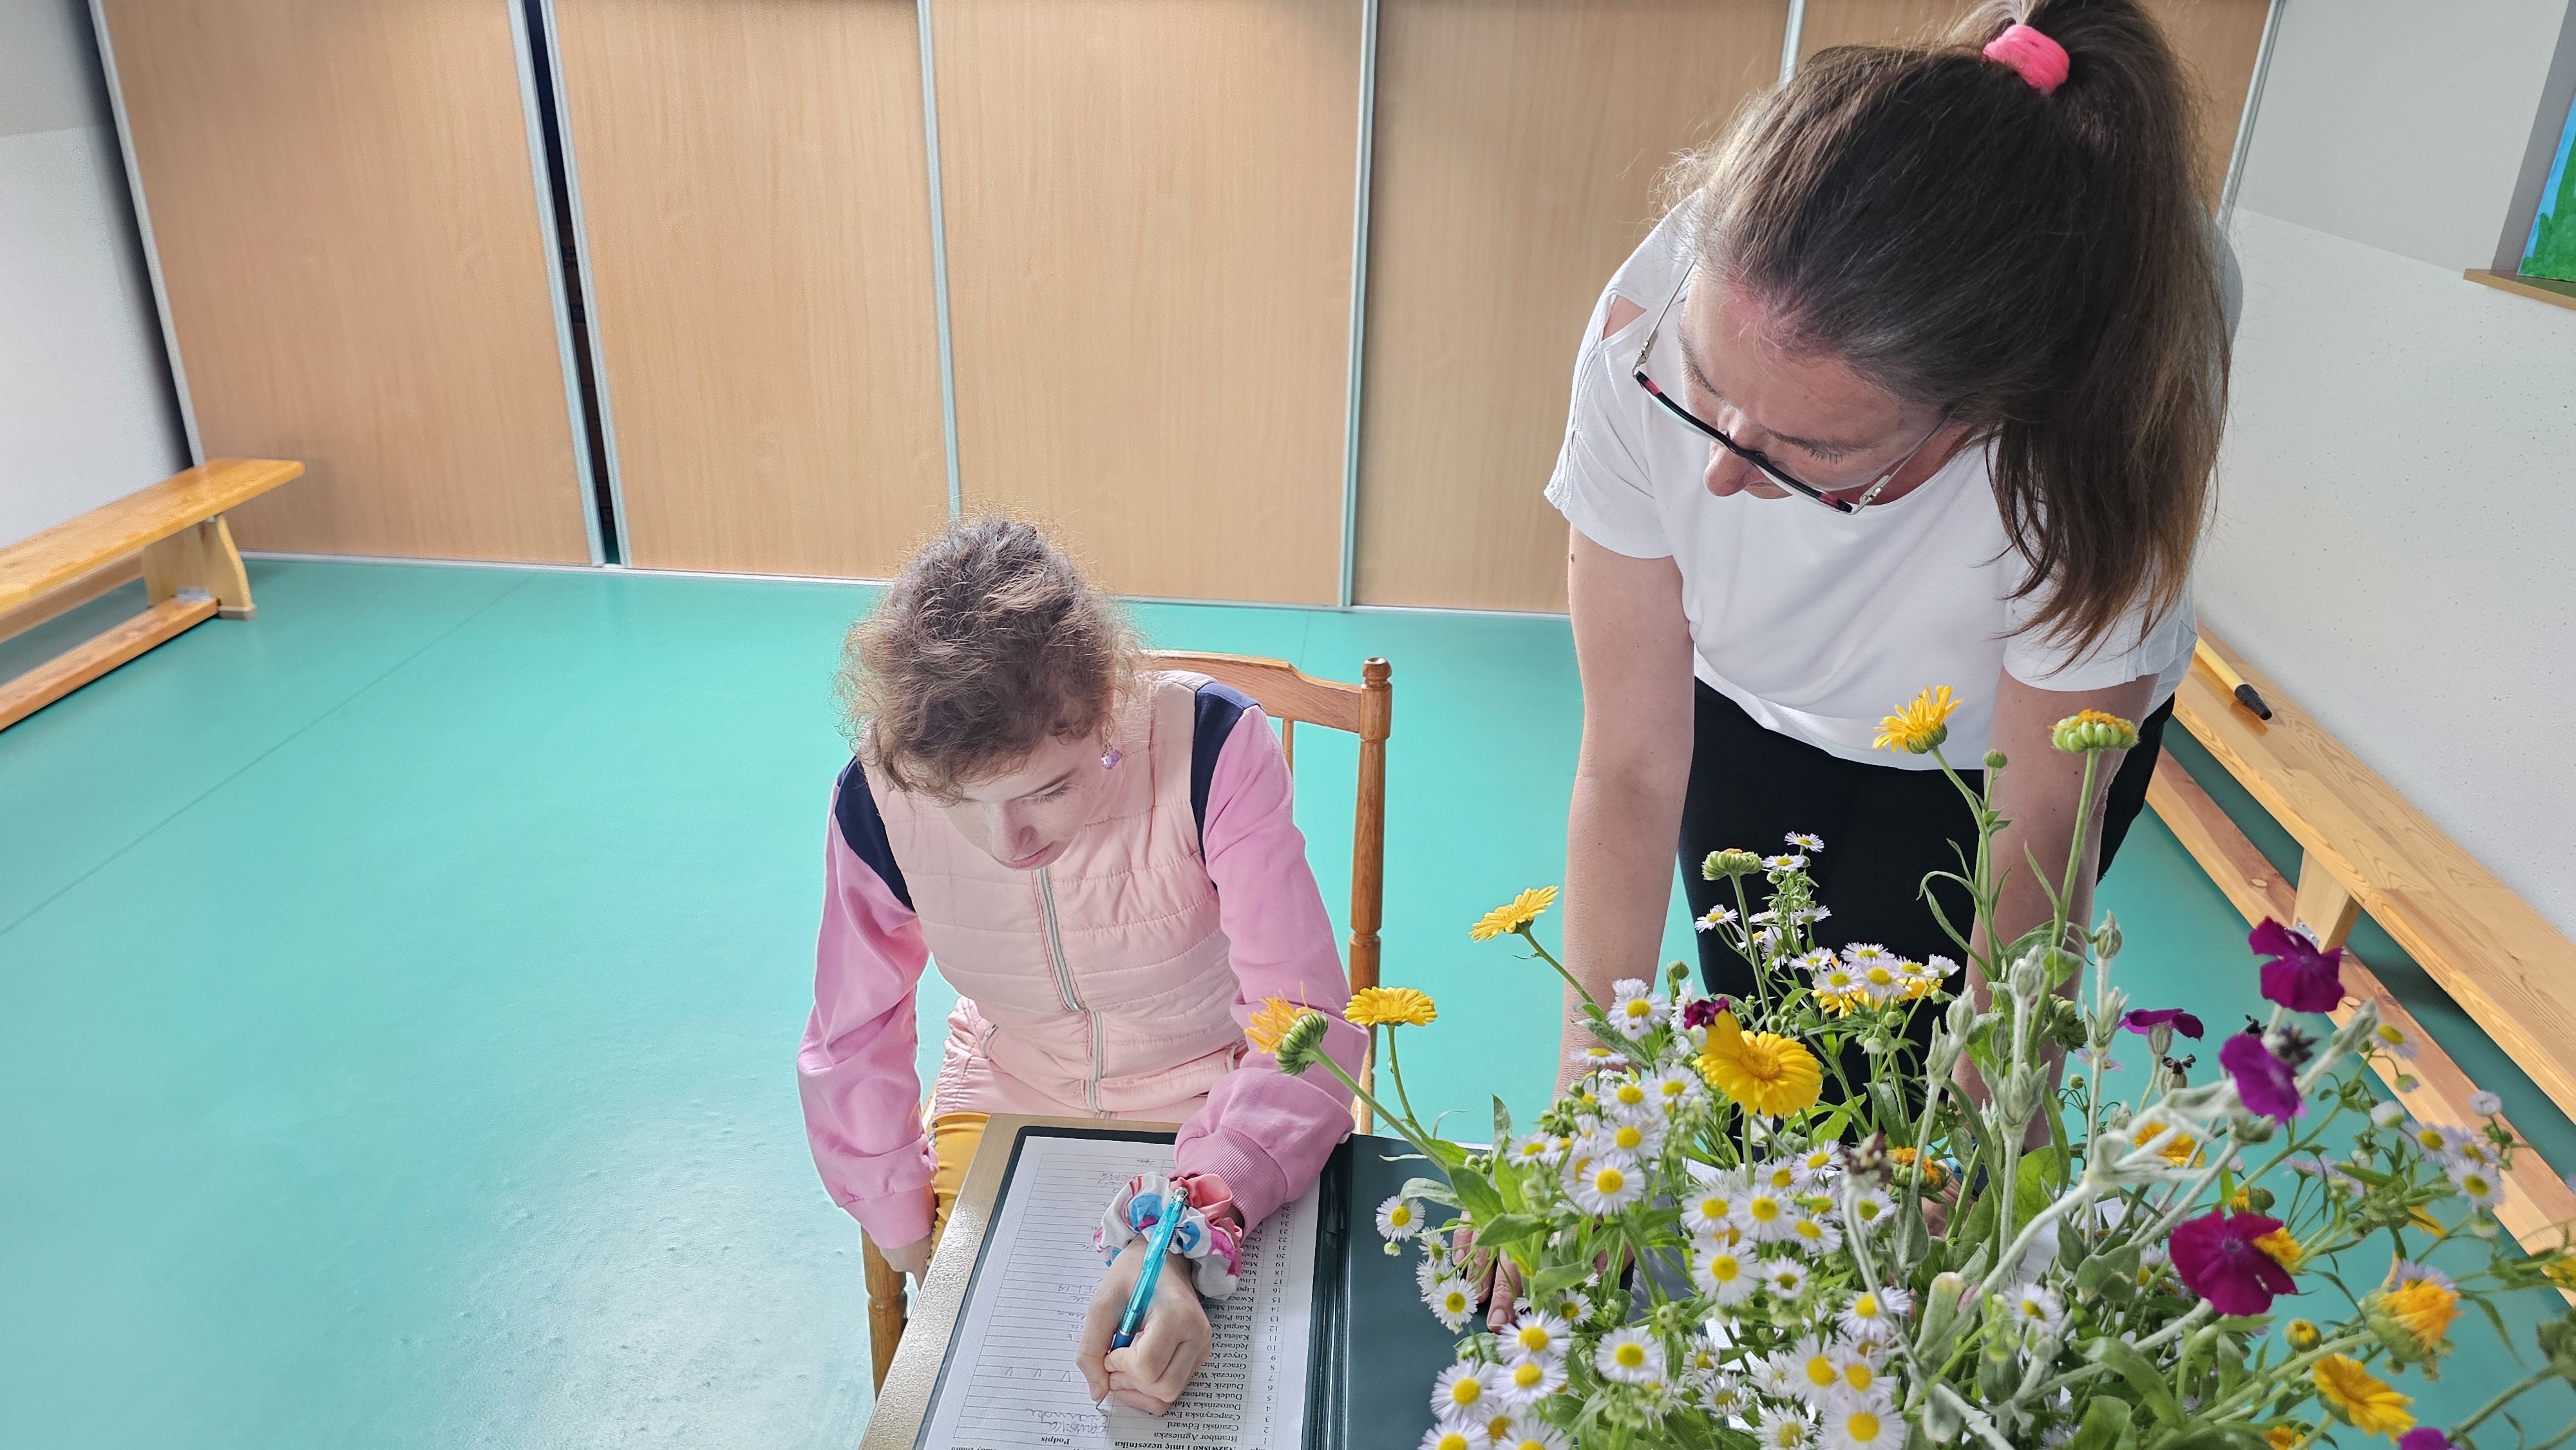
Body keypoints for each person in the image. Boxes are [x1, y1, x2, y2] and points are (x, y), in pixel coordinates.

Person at [1547, 0, 2239, 1080]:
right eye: (1706, 392)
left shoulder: (2099, 437)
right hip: (1749, 706)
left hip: (1981, 765)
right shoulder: (1649, 327)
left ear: (1975, 422)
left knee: (1903, 1083)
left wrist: (1992, 1128)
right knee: (1763, 1050)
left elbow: (2036, 841)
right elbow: (1629, 767)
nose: (1723, 473)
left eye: (1810, 450)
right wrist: (1589, 1102)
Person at [795, 518, 1361, 1414]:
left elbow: (1307, 1029)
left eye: (1049, 788)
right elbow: (850, 1032)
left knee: (1227, 1384)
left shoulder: (1213, 747)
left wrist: (1186, 1224)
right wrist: (897, 1210)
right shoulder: (879, 794)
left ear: (1106, 710)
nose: (1007, 842)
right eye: (961, 803)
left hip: (1218, 1097)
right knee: (1002, 1395)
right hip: (1008, 1096)